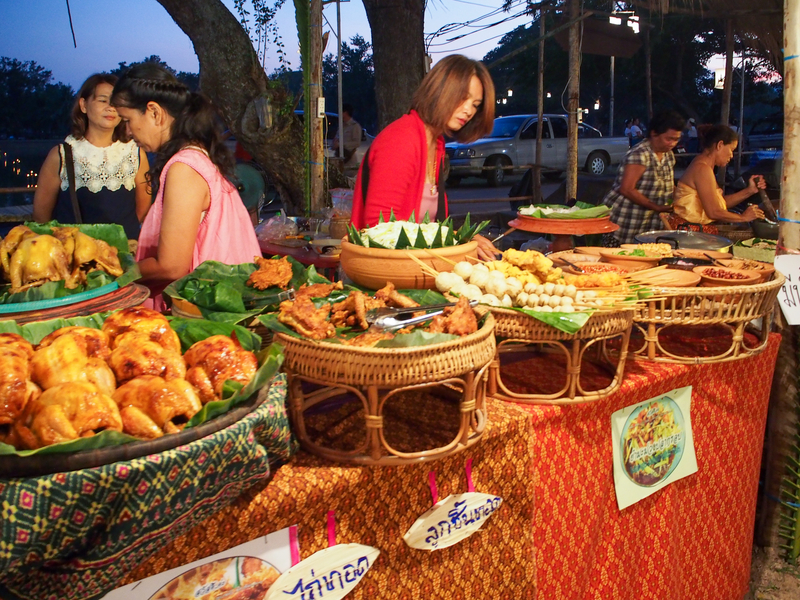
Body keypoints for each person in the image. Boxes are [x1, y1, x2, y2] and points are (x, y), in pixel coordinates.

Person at [110, 63, 261, 310]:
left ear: (154, 112)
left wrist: (112, 273)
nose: (127, 132)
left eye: (127, 120)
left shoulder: (185, 168)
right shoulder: (195, 157)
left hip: (204, 315)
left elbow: (171, 266)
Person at [351, 55, 498, 260]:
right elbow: (379, 230)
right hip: (381, 274)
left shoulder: (436, 144)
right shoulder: (402, 138)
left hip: (412, 268)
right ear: (440, 91)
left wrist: (463, 239)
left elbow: (428, 226)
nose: (469, 110)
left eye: (475, 104)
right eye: (463, 97)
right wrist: (459, 239)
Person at [33, 74, 150, 239]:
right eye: (103, 100)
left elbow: (143, 208)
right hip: (77, 256)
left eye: (116, 102)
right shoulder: (61, 155)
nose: (110, 107)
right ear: (83, 105)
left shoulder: (136, 154)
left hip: (124, 255)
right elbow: (41, 216)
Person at [601, 110, 686, 245]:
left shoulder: (668, 155)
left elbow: (668, 184)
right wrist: (655, 206)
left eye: (676, 140)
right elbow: (627, 189)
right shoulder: (640, 154)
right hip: (626, 220)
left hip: (649, 223)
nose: (672, 144)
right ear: (654, 134)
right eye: (668, 139)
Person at [671, 124, 765, 228]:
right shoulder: (702, 169)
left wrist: (749, 190)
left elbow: (720, 204)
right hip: (690, 231)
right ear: (719, 145)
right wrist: (743, 217)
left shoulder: (704, 166)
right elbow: (714, 212)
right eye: (731, 150)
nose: (731, 155)